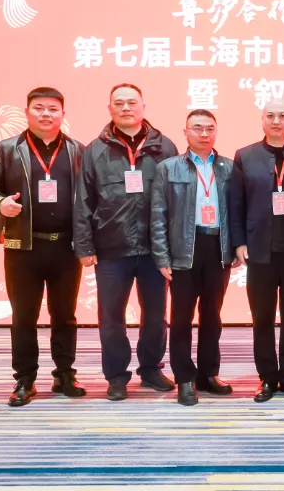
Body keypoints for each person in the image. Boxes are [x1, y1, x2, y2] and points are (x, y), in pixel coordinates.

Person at [0, 87, 86, 407]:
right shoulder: (6, 149)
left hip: (66, 247)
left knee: (65, 315)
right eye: (39, 108)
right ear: (27, 112)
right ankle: (25, 379)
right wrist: (0, 203)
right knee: (24, 316)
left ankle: (64, 374)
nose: (46, 114)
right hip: (23, 247)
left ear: (63, 114)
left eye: (53, 109)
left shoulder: (78, 150)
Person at [73, 83, 179, 401]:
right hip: (111, 248)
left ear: (143, 107)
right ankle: (116, 376)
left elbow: (177, 200)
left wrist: (174, 246)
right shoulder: (95, 150)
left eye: (132, 102)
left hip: (154, 249)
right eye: (118, 103)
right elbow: (83, 200)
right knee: (111, 317)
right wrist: (84, 246)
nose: (126, 108)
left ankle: (151, 369)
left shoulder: (165, 147)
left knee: (157, 314)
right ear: (110, 109)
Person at [229, 99, 284, 402]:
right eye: (270, 116)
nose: (276, 121)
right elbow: (236, 203)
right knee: (262, 318)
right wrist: (239, 242)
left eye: (282, 116)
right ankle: (267, 378)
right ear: (262, 119)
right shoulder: (245, 156)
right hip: (259, 252)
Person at [151, 109, 235, 406]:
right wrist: (162, 256)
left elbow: (237, 211)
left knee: (212, 316)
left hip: (217, 248)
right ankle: (185, 377)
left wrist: (235, 247)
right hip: (183, 249)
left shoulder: (228, 167)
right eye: (197, 128)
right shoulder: (168, 168)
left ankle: (208, 374)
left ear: (216, 132)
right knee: (181, 318)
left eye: (209, 128)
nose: (204, 133)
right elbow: (158, 214)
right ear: (185, 132)